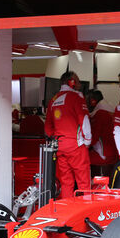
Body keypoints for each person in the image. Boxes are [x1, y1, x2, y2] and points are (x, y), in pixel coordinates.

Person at [44, 71, 92, 199]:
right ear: (72, 82)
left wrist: (59, 138)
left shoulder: (53, 100)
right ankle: (86, 212)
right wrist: (87, 141)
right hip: (76, 145)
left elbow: (48, 127)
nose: (79, 84)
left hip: (60, 146)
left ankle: (67, 211)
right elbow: (84, 119)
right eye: (77, 81)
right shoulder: (76, 97)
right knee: (84, 183)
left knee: (66, 183)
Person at [87, 90, 117, 175]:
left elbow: (93, 139)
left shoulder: (100, 114)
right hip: (114, 153)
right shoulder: (108, 110)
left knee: (79, 159)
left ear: (93, 101)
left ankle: (84, 187)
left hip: (104, 155)